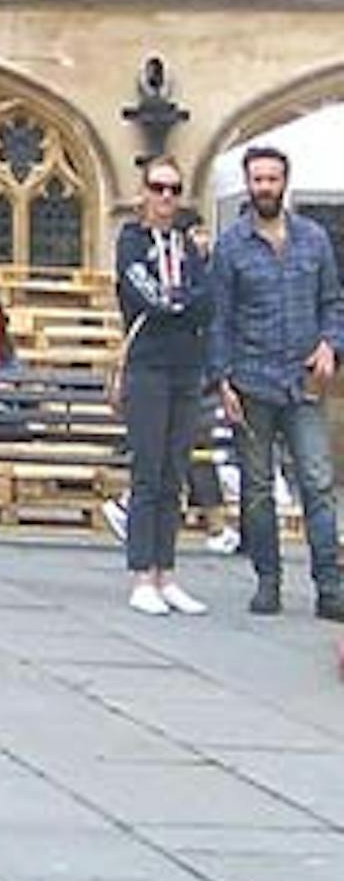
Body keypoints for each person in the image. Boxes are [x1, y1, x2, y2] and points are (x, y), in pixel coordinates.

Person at [207, 139, 344, 620]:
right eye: (258, 179)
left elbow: (333, 301)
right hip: (251, 379)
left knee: (317, 481)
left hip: (303, 381)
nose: (265, 186)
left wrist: (331, 343)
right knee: (258, 487)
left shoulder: (314, 239)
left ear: (285, 182)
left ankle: (330, 585)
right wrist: (221, 381)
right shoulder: (230, 247)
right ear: (248, 184)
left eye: (272, 178)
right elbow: (219, 318)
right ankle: (268, 580)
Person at [114, 160, 217, 616]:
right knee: (148, 472)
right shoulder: (131, 242)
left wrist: (180, 302)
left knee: (175, 472)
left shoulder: (189, 247)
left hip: (185, 366)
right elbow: (146, 297)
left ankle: (166, 572)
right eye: (158, 188)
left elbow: (206, 298)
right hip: (148, 365)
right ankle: (141, 573)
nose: (166, 198)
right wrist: (179, 303)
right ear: (144, 192)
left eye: (174, 189)